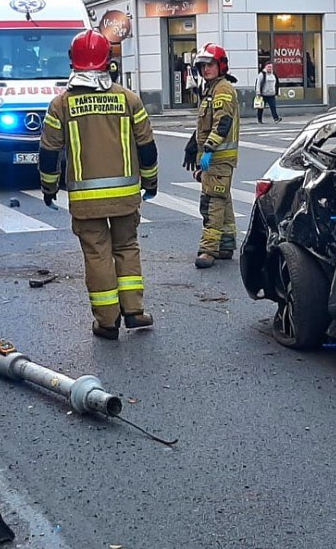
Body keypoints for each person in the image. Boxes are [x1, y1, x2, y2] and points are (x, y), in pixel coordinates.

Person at [38, 29, 159, 340]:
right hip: (126, 196)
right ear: (109, 62)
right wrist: (151, 180)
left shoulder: (61, 105)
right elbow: (147, 146)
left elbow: (49, 152)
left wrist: (49, 187)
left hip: (86, 200)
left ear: (72, 63)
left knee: (97, 255)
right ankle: (133, 310)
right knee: (127, 247)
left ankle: (107, 321)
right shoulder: (129, 99)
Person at [184, 43, 239, 269]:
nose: (205, 69)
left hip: (218, 157)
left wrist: (207, 149)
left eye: (210, 65)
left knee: (212, 203)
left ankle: (209, 249)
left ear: (221, 66)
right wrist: (193, 143)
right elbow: (208, 122)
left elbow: (222, 123)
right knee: (222, 199)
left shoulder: (222, 89)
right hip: (215, 158)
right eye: (202, 65)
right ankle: (226, 244)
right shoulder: (211, 89)